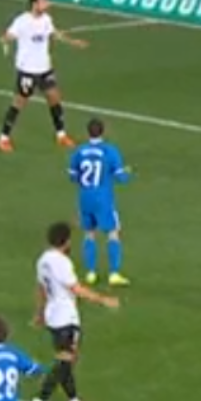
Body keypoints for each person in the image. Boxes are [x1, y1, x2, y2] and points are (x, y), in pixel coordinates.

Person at [28, 221, 120, 401]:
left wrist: (40, 313)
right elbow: (76, 288)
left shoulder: (43, 260)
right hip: (65, 318)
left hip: (53, 317)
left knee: (66, 359)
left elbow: (41, 288)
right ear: (66, 241)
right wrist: (103, 299)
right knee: (65, 360)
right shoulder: (62, 262)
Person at [0, 0, 88, 153]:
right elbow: (8, 36)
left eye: (47, 2)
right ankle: (4, 138)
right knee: (19, 103)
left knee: (54, 98)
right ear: (34, 4)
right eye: (44, 2)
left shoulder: (46, 19)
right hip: (27, 71)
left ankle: (61, 135)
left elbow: (54, 33)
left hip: (45, 69)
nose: (47, 4)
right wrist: (6, 38)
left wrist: (73, 42)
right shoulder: (22, 21)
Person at [69, 117, 132, 286]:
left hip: (85, 198)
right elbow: (121, 177)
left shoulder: (79, 151)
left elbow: (73, 176)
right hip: (103, 199)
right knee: (113, 232)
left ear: (88, 132)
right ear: (103, 131)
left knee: (89, 233)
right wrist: (127, 173)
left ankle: (90, 273)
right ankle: (114, 273)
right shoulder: (110, 151)